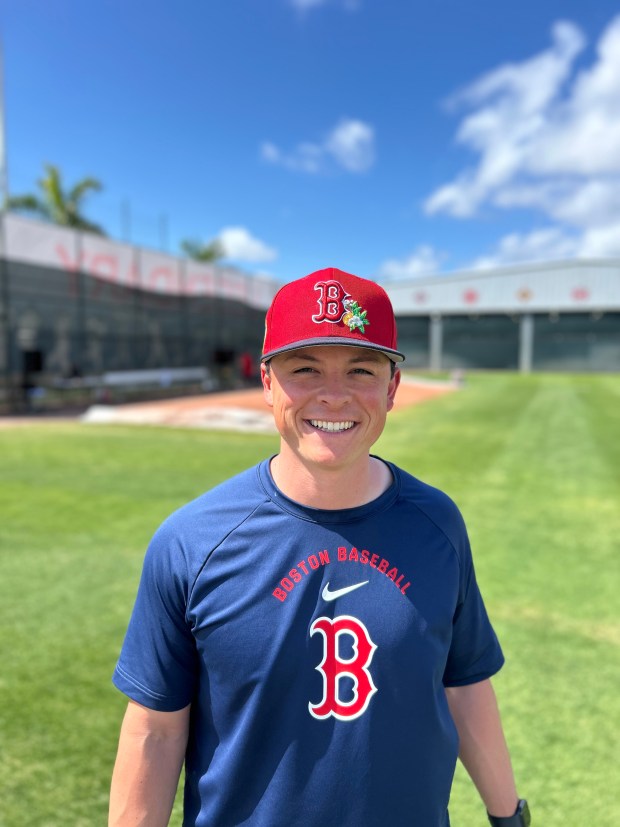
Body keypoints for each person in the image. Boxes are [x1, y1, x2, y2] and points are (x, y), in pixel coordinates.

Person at [109, 267, 530, 827]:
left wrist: (509, 817)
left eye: (361, 369)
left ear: (392, 387)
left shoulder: (437, 524)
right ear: (266, 383)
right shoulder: (192, 541)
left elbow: (465, 684)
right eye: (304, 368)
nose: (334, 395)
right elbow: (155, 730)